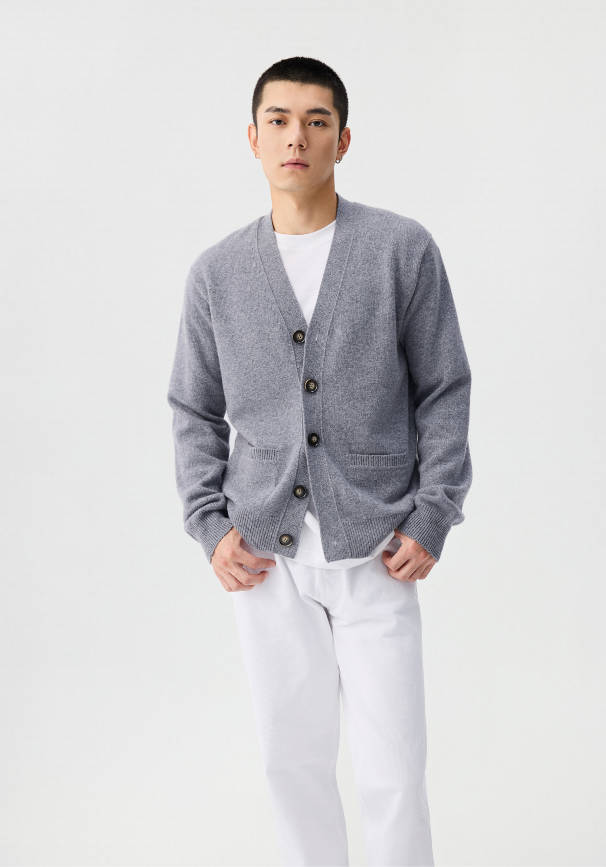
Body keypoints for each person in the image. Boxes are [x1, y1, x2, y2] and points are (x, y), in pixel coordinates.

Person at [167, 55, 472, 867]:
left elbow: (444, 386)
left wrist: (434, 513)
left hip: (380, 545)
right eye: (278, 120)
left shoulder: (401, 249)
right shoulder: (218, 274)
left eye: (315, 121)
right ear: (253, 137)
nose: (295, 138)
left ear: (343, 138)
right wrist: (209, 524)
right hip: (265, 556)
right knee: (291, 764)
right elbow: (193, 408)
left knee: (393, 772)